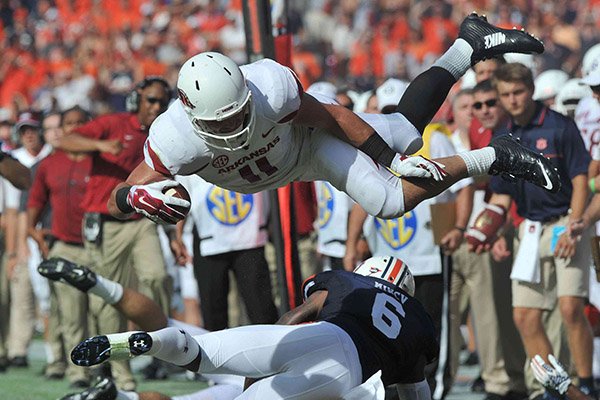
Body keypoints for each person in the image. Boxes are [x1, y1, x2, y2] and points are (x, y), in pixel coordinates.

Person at [106, 14, 559, 228]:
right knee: (402, 131)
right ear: (191, 113)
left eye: (238, 114)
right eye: (220, 123)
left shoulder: (270, 89)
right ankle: (469, 45)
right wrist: (134, 200)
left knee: (389, 189)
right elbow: (115, 199)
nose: (232, 128)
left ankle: (495, 153)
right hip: (274, 165)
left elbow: (334, 116)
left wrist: (392, 162)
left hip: (306, 142)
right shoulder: (174, 138)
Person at [468, 62, 595, 399]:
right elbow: (501, 194)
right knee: (524, 316)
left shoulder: (559, 126)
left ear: (531, 90)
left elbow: (581, 177)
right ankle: (551, 386)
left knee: (570, 309)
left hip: (566, 223)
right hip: (529, 230)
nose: (512, 100)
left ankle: (585, 382)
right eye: (506, 94)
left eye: (518, 92)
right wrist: (491, 231)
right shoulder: (503, 136)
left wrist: (575, 224)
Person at [54, 77, 173, 390]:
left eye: (161, 102)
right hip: (107, 223)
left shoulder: (166, 134)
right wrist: (100, 145)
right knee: (110, 297)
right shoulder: (113, 123)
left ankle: (163, 342)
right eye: (150, 100)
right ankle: (120, 372)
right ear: (136, 100)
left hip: (141, 220)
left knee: (157, 277)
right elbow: (65, 140)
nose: (156, 107)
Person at [26, 106, 92, 386]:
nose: (74, 128)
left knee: (103, 313)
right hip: (63, 244)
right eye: (69, 123)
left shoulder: (100, 159)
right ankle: (78, 370)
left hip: (98, 244)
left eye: (80, 122)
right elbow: (35, 202)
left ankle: (105, 368)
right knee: (71, 313)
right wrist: (32, 230)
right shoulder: (49, 163)